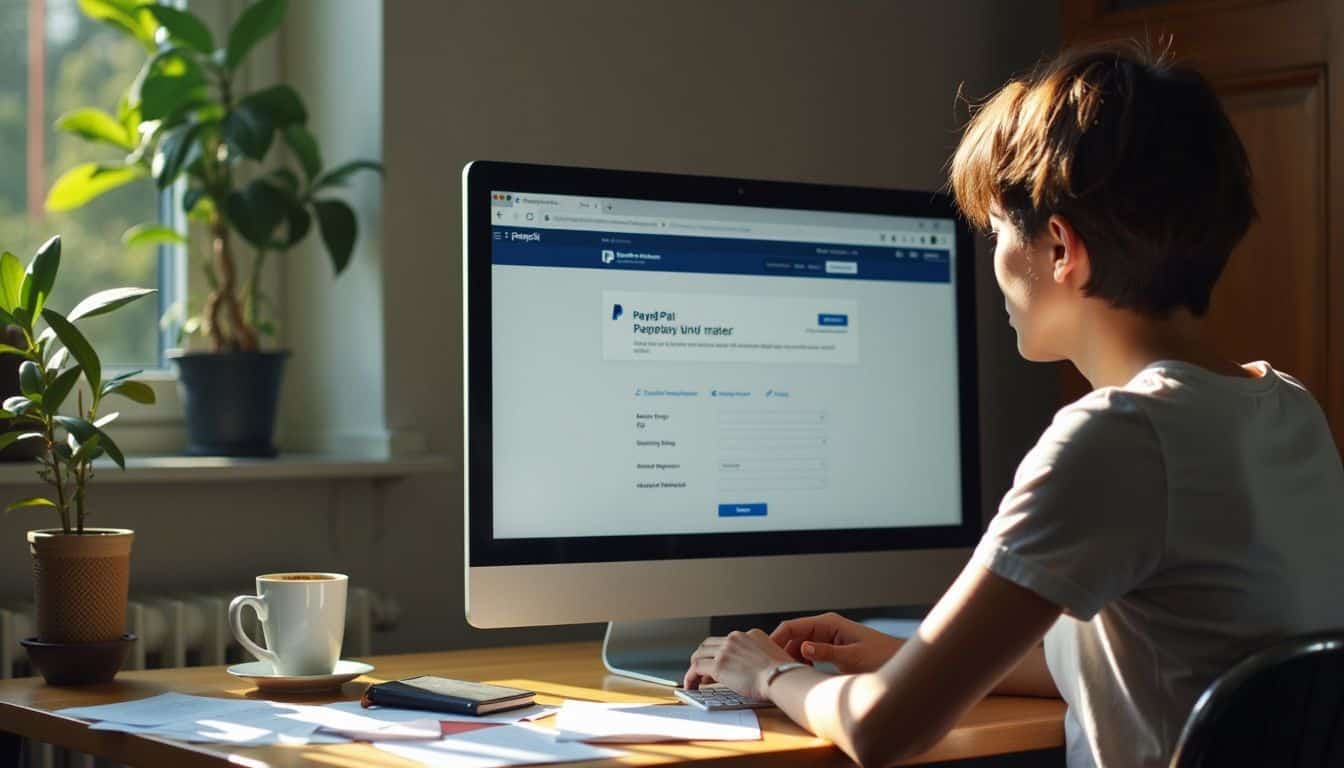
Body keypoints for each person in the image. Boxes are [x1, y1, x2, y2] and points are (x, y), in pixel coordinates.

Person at [683, 42, 1344, 768]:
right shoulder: (1286, 409)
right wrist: (900, 657)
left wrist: (770, 674)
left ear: (1060, 247)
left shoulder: (1116, 437)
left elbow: (883, 731)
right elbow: (1157, 655)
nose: (993, 259)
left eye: (998, 228)